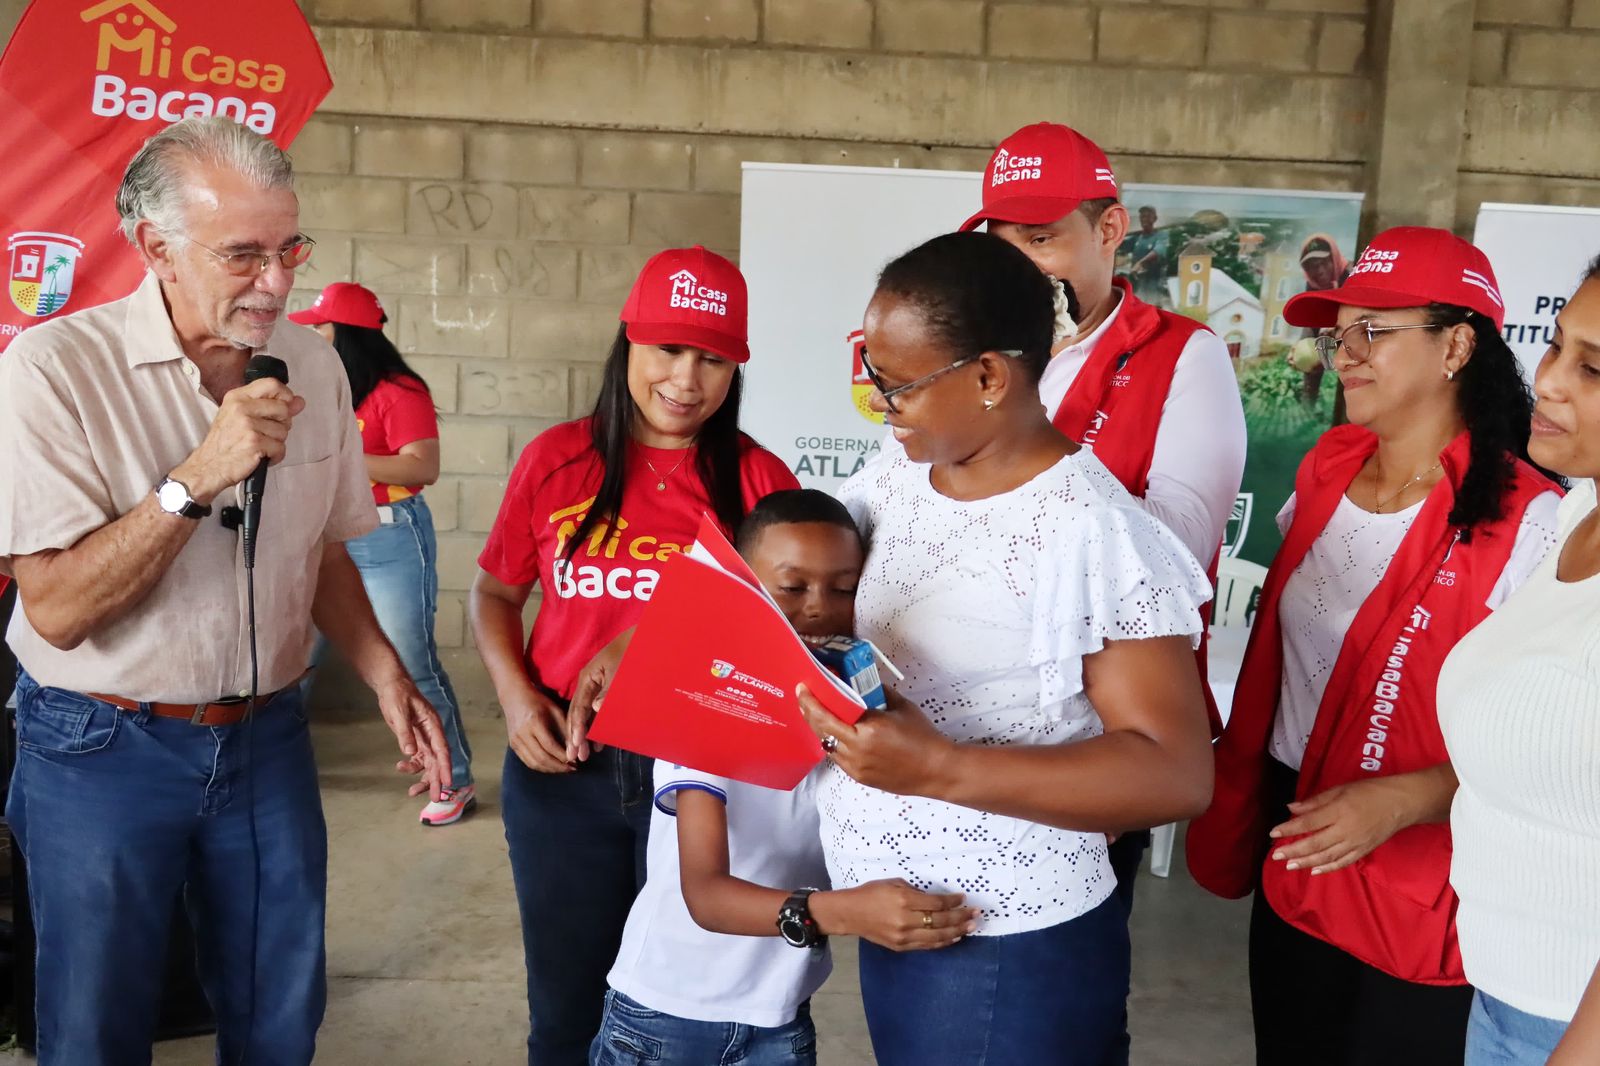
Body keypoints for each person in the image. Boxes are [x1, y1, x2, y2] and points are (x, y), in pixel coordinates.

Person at [0, 116, 452, 1066]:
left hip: (266, 741)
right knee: (92, 1028)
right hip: (98, 745)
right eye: (244, 254)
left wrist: (386, 676)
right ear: (154, 247)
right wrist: (194, 477)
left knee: (280, 1013)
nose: (278, 283)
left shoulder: (318, 363)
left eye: (290, 248)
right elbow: (58, 610)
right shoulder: (51, 373)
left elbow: (321, 553)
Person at [794, 231, 1216, 1066]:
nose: (880, 404)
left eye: (898, 384)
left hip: (1006, 941)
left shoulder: (1093, 533)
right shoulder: (898, 475)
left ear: (989, 375)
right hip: (903, 917)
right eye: (872, 376)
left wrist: (941, 768)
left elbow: (1176, 771)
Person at [1185, 226, 1561, 1066]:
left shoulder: (1527, 522)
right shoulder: (1327, 467)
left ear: (1457, 344)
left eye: (1375, 332)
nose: (1345, 355)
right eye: (1338, 333)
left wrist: (1405, 799)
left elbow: (1553, 740)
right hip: (1301, 819)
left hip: (1423, 852)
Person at [470, 245, 801, 1066]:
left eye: (713, 358)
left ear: (737, 368)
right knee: (566, 1008)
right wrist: (516, 702)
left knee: (686, 1011)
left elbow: (784, 635)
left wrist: (647, 641)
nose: (686, 381)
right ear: (629, 344)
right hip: (564, 773)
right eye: (668, 351)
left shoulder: (759, 483)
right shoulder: (557, 461)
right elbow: (494, 594)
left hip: (701, 777)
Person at [959, 121, 1247, 913]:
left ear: (1110, 229)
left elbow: (1173, 553)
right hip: (966, 720)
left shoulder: (1184, 356)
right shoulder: (970, 355)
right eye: (1004, 245)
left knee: (1060, 966)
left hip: (1100, 727)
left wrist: (1019, 425)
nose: (1022, 269)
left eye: (1042, 240)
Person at [593, 488, 977, 1066]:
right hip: (666, 1019)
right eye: (792, 587)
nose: (820, 607)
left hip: (780, 1019)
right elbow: (707, 898)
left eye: (843, 588)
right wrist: (848, 911)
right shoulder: (708, 708)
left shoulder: (855, 711)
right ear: (745, 589)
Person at [1437, 257, 1600, 1066]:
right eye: (1558, 345)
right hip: (1507, 995)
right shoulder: (1579, 507)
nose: (1553, 381)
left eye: (1593, 366)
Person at [288, 281, 474, 826]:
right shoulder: (321, 387)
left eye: (321, 326)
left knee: (409, 660)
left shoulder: (398, 390)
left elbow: (422, 468)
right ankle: (279, 774)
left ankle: (454, 777)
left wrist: (343, 458)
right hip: (324, 535)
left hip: (389, 536)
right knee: (292, 660)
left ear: (343, 334)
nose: (314, 336)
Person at [1125, 205, 1170, 307]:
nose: (1144, 219)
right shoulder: (1137, 238)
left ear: (1154, 219)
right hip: (1137, 287)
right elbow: (1120, 246)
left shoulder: (1161, 235)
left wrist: (1140, 263)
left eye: (1148, 216)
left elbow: (1158, 251)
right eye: (1142, 216)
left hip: (1153, 287)